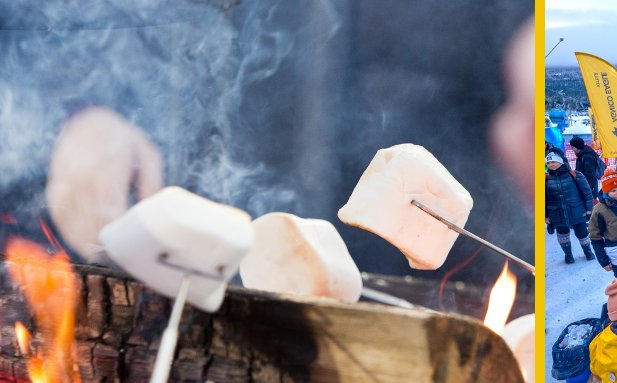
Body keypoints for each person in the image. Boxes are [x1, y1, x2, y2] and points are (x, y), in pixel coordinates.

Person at [0, 0, 532, 286]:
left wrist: (528, 34)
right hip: (153, 294)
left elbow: (516, 34)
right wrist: (72, 114)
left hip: (434, 295)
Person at [544, 150, 594, 265]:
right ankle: (568, 254)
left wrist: (589, 209)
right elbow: (543, 199)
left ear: (561, 161)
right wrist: (545, 215)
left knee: (582, 233)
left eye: (553, 161)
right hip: (556, 213)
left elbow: (587, 192)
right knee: (562, 235)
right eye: (548, 162)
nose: (550, 164)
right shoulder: (545, 179)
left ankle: (588, 251)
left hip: (577, 210)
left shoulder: (575, 175)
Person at [568, 135, 602, 202]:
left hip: (589, 187)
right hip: (586, 185)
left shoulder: (587, 156)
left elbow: (590, 175)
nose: (572, 149)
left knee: (592, 204)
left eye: (573, 147)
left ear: (577, 146)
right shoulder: (583, 154)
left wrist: (586, 188)